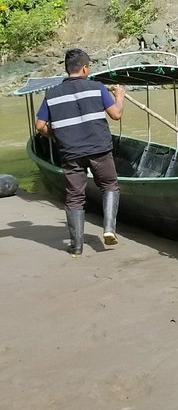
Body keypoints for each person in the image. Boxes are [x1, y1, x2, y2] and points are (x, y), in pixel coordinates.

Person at [34, 48, 126, 256]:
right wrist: (119, 96)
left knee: (74, 198)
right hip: (99, 149)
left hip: (70, 153)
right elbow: (116, 114)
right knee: (109, 186)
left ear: (68, 70)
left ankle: (76, 246)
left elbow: (39, 126)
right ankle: (109, 229)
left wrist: (58, 136)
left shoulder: (52, 94)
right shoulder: (97, 88)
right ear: (85, 68)